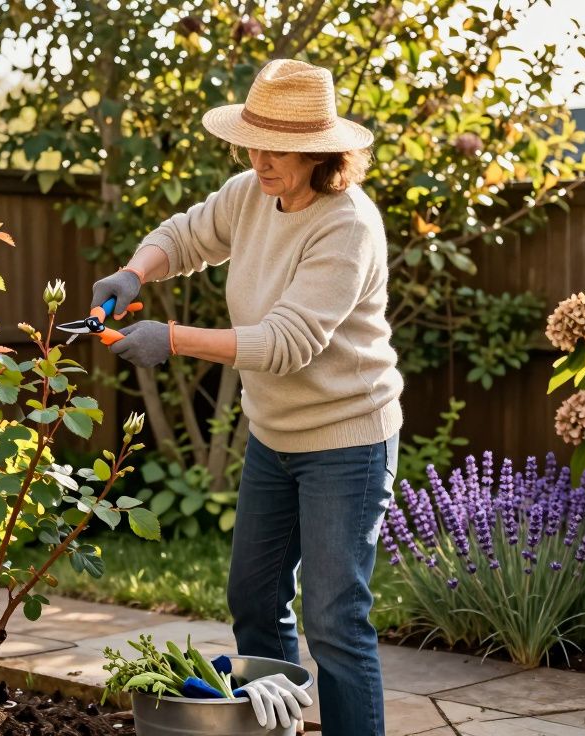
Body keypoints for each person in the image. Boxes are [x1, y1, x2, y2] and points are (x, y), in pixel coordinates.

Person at [91, 58, 403, 735]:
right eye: (252, 141)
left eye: (276, 147)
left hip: (348, 441)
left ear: (320, 152)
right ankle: (275, 729)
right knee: (255, 600)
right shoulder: (251, 193)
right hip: (274, 437)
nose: (258, 158)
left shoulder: (346, 225)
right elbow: (185, 236)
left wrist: (170, 338)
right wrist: (133, 269)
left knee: (333, 617)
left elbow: (286, 342)